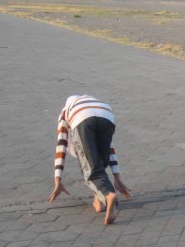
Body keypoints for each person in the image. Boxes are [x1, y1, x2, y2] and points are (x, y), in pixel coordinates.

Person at [48, 95, 131, 225]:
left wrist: (57, 179)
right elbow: (110, 147)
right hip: (107, 114)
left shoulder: (65, 112)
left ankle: (109, 195)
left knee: (89, 168)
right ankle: (105, 201)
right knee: (100, 163)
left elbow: (61, 145)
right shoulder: (91, 102)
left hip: (83, 119)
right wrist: (117, 176)